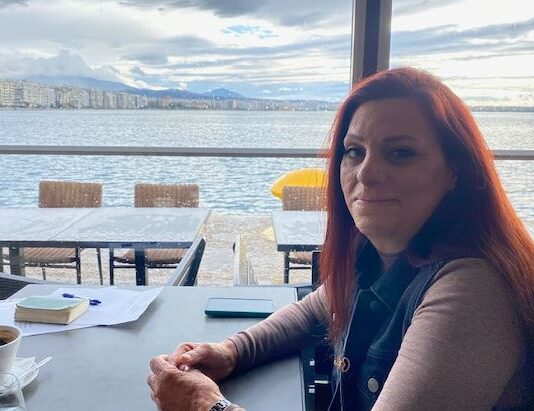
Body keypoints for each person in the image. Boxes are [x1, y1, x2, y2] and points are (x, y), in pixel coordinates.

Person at [147, 67, 534, 410]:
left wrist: (204, 405)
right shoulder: (379, 252)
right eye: (354, 151)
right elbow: (315, 310)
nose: (366, 173)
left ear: (455, 171)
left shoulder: (473, 289)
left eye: (400, 152)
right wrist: (232, 350)